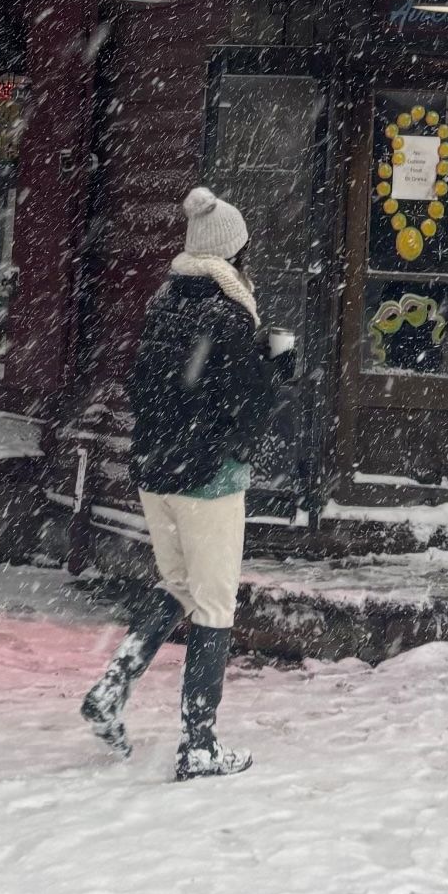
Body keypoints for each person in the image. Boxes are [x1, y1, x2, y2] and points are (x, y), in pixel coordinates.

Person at [79, 185, 288, 780]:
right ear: (232, 254)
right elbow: (246, 410)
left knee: (178, 584)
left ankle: (111, 689)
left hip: (155, 474)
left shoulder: (164, 304)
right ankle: (199, 743)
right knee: (214, 603)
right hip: (208, 481)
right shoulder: (228, 314)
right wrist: (277, 373)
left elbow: (143, 387)